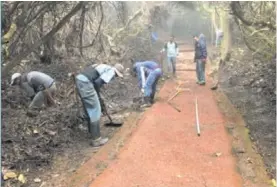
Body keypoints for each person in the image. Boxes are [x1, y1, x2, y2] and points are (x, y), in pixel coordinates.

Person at [74, 63, 124, 147]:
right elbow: (97, 83)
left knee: (88, 108)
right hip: (87, 83)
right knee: (95, 110)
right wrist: (98, 97)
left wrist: (98, 97)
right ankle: (96, 140)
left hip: (79, 80)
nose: (115, 77)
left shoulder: (103, 66)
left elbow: (95, 80)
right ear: (116, 72)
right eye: (116, 76)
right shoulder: (111, 71)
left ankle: (91, 133)